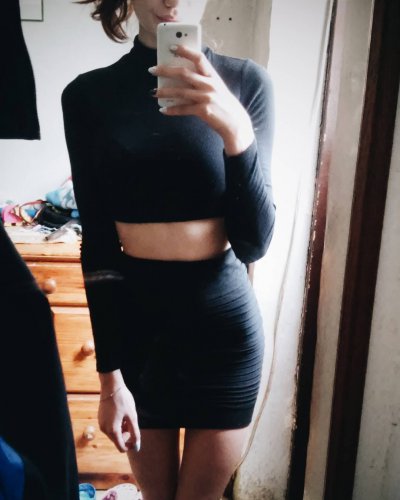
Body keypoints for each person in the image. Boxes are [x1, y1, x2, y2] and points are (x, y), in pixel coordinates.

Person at [61, 0, 275, 499]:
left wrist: (235, 130)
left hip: (224, 338)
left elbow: (254, 242)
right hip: (140, 338)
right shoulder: (88, 96)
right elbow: (99, 246)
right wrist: (109, 378)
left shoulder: (247, 84)